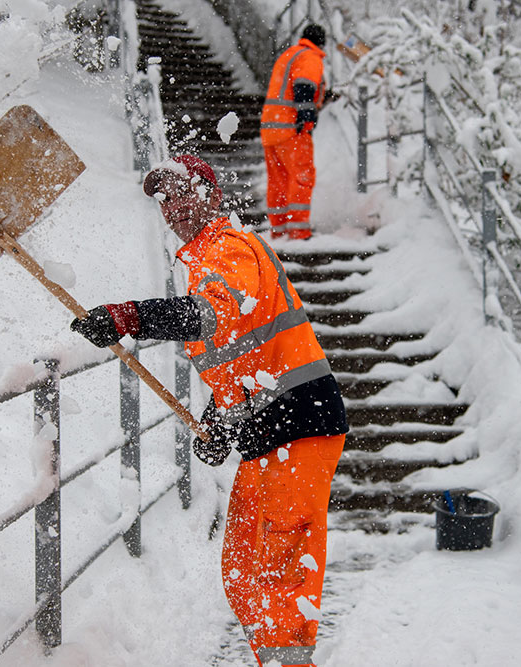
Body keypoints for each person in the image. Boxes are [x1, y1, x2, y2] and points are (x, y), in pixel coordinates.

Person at [70, 154, 348, 667]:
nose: (171, 207)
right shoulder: (201, 262)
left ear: (211, 197)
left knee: (279, 571)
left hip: (301, 423)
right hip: (269, 432)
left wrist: (133, 316)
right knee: (243, 568)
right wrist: (221, 423)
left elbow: (214, 314)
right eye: (163, 199)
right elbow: (241, 360)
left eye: (181, 193)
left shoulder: (229, 248)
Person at [260, 23, 328, 241]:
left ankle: (279, 230)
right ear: (321, 43)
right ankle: (299, 231)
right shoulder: (310, 57)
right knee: (301, 177)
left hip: (271, 128)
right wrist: (307, 119)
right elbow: (304, 87)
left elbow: (289, 88)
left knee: (278, 181)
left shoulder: (289, 54)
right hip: (291, 129)